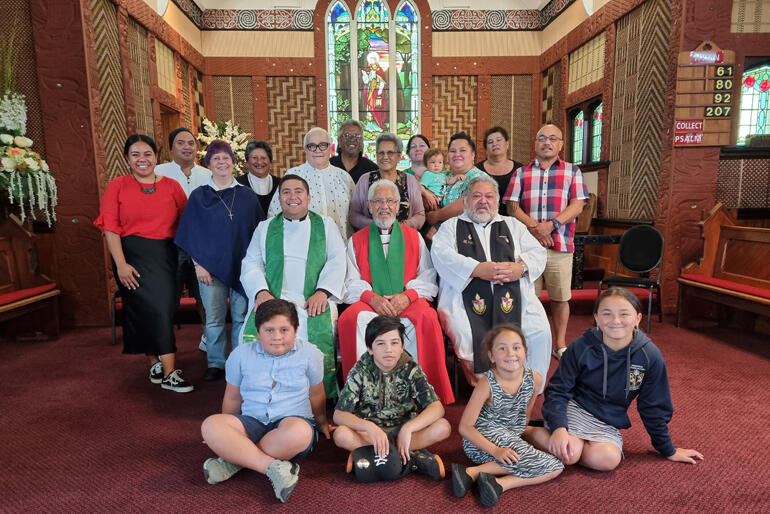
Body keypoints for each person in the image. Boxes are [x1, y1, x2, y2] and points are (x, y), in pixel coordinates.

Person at [528, 287, 704, 471]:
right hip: (574, 408)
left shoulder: (649, 355)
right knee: (570, 454)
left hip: (606, 420)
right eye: (607, 314)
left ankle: (571, 444)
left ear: (637, 318)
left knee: (608, 460)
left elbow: (653, 406)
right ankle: (526, 431)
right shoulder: (582, 346)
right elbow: (558, 390)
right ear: (596, 318)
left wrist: (668, 449)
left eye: (624, 314)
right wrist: (558, 428)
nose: (615, 321)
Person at [200, 299, 330, 504]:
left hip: (292, 422)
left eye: (284, 329)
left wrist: (322, 422)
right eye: (269, 330)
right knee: (211, 425)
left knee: (300, 434)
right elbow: (233, 397)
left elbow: (316, 393)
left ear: (296, 330)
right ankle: (273, 467)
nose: (277, 337)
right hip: (252, 421)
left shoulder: (310, 354)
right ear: (258, 331)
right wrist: (225, 434)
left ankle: (234, 460)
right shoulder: (240, 354)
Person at [338, 179, 454, 404]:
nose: (384, 206)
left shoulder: (414, 237)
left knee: (427, 317)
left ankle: (422, 394)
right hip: (371, 302)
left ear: (399, 205)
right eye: (378, 201)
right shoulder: (356, 240)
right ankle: (362, 395)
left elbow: (428, 276)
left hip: (407, 299)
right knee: (350, 319)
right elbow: (349, 280)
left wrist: (407, 296)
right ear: (369, 206)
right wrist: (372, 298)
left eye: (390, 200)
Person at [430, 175, 551, 390]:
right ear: (465, 200)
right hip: (464, 297)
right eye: (476, 196)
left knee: (538, 330)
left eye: (489, 196)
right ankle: (486, 391)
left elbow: (538, 253)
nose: (483, 201)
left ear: (497, 201)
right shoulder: (450, 227)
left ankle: (527, 390)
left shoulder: (513, 225)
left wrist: (520, 268)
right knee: (467, 332)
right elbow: (441, 255)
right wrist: (476, 269)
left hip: (515, 294)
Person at [94, 134, 192, 392]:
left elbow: (187, 223)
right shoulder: (117, 186)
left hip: (166, 256)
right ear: (127, 159)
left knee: (163, 309)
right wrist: (121, 264)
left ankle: (159, 363)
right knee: (145, 310)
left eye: (147, 154)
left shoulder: (171, 186)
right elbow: (110, 228)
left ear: (156, 157)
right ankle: (166, 370)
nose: (142, 160)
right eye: (135, 155)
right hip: (130, 257)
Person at [241, 175, 346, 397]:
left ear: (308, 197)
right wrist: (261, 292)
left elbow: (337, 260)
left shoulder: (326, 226)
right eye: (286, 192)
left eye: (298, 191)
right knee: (253, 332)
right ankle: (263, 393)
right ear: (279, 198)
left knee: (314, 331)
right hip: (273, 298)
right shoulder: (266, 227)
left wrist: (323, 291)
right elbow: (251, 263)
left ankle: (316, 396)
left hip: (312, 300)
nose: (292, 196)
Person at [175, 140, 265, 381]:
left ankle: (237, 362)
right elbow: (189, 233)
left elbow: (259, 233)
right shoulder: (199, 196)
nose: (222, 163)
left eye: (226, 158)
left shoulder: (246, 196)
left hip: (242, 267)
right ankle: (215, 362)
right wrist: (198, 265)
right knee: (214, 318)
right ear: (208, 164)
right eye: (216, 159)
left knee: (240, 317)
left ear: (233, 163)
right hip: (208, 269)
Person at [503, 123, 589, 360]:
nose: (547, 142)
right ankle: (526, 342)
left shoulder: (573, 171)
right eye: (542, 138)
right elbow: (512, 206)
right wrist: (535, 229)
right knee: (528, 297)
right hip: (527, 248)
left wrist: (551, 226)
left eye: (553, 138)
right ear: (535, 143)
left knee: (560, 297)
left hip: (560, 245)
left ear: (561, 144)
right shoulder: (521, 173)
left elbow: (578, 204)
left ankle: (559, 343)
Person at [453, 324, 563, 507]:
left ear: (525, 352)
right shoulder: (486, 383)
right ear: (491, 356)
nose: (510, 353)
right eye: (502, 348)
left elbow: (523, 420)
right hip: (481, 441)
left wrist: (529, 439)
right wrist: (496, 450)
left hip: (509, 437)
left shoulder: (535, 379)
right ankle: (473, 472)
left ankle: (496, 482)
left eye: (516, 347)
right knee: (555, 466)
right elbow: (465, 427)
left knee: (554, 464)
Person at [333, 315, 451, 483]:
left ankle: (371, 456)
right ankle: (411, 458)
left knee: (443, 427)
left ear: (402, 346)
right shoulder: (361, 370)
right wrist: (369, 427)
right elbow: (338, 415)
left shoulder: (410, 368)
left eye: (394, 342)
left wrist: (408, 428)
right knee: (341, 435)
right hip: (371, 435)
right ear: (370, 348)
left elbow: (437, 407)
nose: (388, 349)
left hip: (404, 431)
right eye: (381, 343)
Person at [155, 127, 211, 350]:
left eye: (191, 143)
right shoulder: (159, 172)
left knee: (203, 296)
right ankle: (164, 344)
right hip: (170, 244)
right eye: (181, 143)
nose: (187, 147)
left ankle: (208, 336)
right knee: (169, 296)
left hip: (201, 246)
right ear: (171, 148)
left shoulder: (207, 174)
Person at [268, 127, 355, 239]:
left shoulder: (344, 177)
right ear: (305, 149)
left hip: (341, 246)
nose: (318, 150)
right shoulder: (293, 175)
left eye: (323, 145)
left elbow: (354, 216)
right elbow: (274, 213)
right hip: (302, 249)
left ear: (330, 147)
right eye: (312, 146)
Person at [349, 133, 425, 231]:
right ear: (376, 155)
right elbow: (354, 215)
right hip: (372, 238)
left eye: (390, 153)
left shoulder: (410, 181)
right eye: (381, 153)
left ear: (398, 156)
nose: (385, 157)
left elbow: (420, 215)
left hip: (403, 237)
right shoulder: (365, 180)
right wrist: (377, 227)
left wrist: (398, 228)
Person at [424, 132, 488, 238]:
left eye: (462, 150)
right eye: (452, 151)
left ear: (473, 155)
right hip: (441, 237)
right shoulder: (444, 175)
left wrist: (436, 216)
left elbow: (465, 204)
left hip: (468, 237)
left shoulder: (480, 178)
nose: (457, 154)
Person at [475, 126, 523, 216]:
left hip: (514, 222)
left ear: (507, 144)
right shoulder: (476, 171)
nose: (495, 144)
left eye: (498, 140)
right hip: (483, 219)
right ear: (486, 149)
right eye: (490, 142)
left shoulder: (520, 169)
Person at [237, 140, 279, 214]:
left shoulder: (281, 184)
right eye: (254, 158)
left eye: (263, 158)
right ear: (247, 162)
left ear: (270, 162)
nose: (259, 162)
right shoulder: (237, 184)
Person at [330, 119, 378, 184]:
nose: (352, 139)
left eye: (357, 136)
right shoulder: (329, 165)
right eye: (347, 135)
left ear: (362, 143)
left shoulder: (372, 170)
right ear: (339, 142)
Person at [403, 134, 440, 212]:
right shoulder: (401, 176)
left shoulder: (442, 173)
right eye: (413, 146)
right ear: (408, 153)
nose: (418, 149)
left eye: (422, 145)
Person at [361, 52, 387, 131]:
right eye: (371, 59)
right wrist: (365, 75)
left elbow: (382, 81)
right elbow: (366, 82)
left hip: (376, 92)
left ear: (376, 60)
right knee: (369, 108)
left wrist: (380, 90)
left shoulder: (379, 70)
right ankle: (370, 126)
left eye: (373, 59)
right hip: (369, 91)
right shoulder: (368, 70)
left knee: (376, 108)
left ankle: (378, 125)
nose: (372, 61)